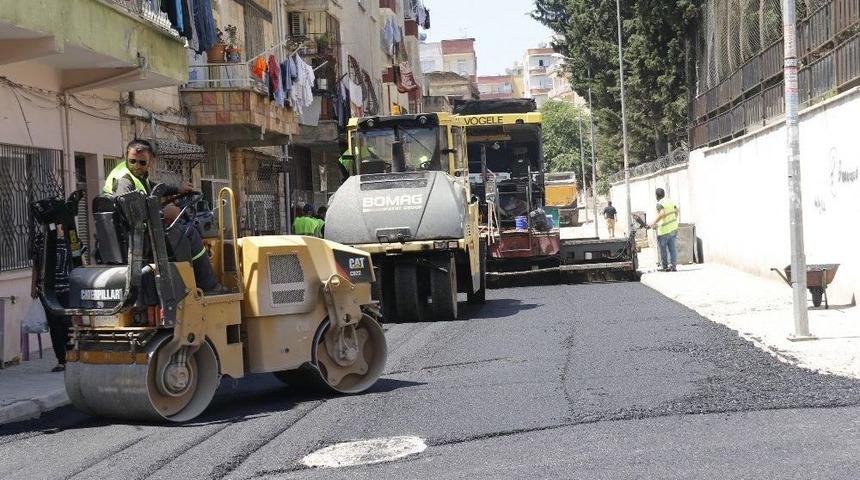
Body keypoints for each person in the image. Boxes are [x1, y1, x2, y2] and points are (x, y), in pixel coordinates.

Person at [103, 139, 229, 295]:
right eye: (132, 161)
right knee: (190, 233)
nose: (136, 166)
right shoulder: (124, 181)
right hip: (138, 239)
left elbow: (153, 188)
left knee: (182, 229)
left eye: (142, 163)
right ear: (126, 157)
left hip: (135, 236)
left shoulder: (134, 176)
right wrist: (163, 213)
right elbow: (131, 215)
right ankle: (209, 285)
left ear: (151, 162)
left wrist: (178, 189)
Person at [649, 188, 679, 272]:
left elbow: (662, 214)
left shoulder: (659, 203)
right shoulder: (670, 201)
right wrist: (674, 219)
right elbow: (677, 211)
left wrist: (654, 222)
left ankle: (664, 266)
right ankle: (673, 266)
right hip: (673, 228)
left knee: (663, 249)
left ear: (656, 195)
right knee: (672, 248)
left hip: (664, 230)